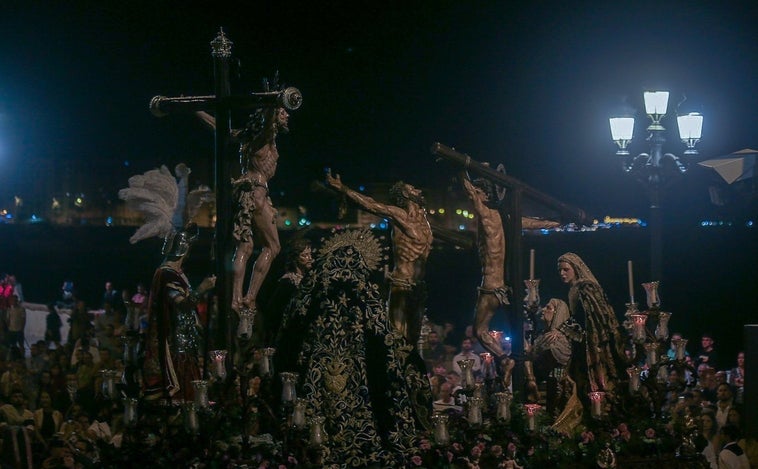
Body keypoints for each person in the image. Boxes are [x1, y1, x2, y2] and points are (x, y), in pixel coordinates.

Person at [279, 228, 431, 466]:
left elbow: (288, 334)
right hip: (363, 387)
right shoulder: (365, 293)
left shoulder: (312, 293)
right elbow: (386, 339)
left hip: (316, 377)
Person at [196, 100, 290, 315]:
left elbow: (219, 128)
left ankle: (236, 299)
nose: (287, 115)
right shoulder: (264, 136)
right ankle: (250, 297)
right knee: (273, 247)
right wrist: (273, 103)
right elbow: (267, 122)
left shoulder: (248, 137)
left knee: (245, 248)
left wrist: (197, 111)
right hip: (257, 192)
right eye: (283, 112)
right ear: (273, 115)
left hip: (246, 193)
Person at [326, 170, 433, 345]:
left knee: (414, 339)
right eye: (413, 188)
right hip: (402, 283)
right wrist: (343, 189)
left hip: (418, 286)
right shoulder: (400, 215)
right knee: (397, 337)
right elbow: (372, 205)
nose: (418, 190)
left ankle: (411, 371)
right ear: (406, 194)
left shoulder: (425, 220)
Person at [142, 224, 216, 403]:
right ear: (184, 248)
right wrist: (203, 288)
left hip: (186, 340)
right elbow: (182, 305)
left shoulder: (177, 274)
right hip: (176, 344)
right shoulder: (167, 274)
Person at [460, 172, 516, 387]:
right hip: (505, 286)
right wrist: (556, 222)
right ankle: (522, 368)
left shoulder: (487, 215)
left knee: (479, 330)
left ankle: (504, 359)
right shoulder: (506, 218)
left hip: (491, 286)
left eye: (479, 192)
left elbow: (470, 192)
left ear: (484, 194)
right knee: (520, 330)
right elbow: (529, 223)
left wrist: (461, 167)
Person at [556, 253, 629, 412]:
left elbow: (591, 315)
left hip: (594, 342)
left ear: (575, 269)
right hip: (583, 340)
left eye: (566, 269)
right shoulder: (574, 289)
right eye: (560, 270)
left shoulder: (585, 287)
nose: (562, 273)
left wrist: (563, 330)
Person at [530, 298, 583, 416]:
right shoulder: (541, 335)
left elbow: (541, 364)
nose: (543, 310)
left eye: (548, 308)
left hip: (556, 388)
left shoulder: (559, 339)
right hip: (539, 391)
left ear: (557, 313)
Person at [264, 237, 313, 344]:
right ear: (295, 258)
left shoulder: (308, 279)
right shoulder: (288, 282)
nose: (309, 258)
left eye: (310, 254)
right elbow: (275, 310)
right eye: (304, 255)